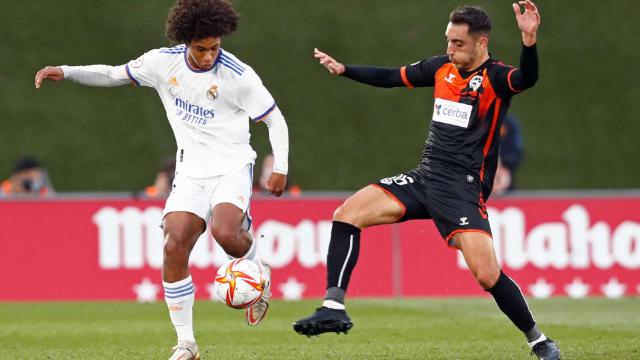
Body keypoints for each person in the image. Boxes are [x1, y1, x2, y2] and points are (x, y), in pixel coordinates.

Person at [294, 2, 560, 359]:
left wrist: (529, 40)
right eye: (448, 41)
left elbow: (527, 79)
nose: (450, 49)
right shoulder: (441, 68)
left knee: (486, 275)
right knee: (347, 214)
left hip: (462, 188)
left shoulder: (496, 78)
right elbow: (391, 77)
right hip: (425, 177)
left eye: (458, 43)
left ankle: (538, 340)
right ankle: (333, 307)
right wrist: (344, 70)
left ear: (481, 43)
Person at [35, 0, 289, 358]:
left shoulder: (239, 75)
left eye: (215, 47)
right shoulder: (161, 62)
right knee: (173, 246)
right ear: (186, 41)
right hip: (189, 173)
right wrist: (65, 70)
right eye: (201, 49)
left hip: (231, 167)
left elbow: (274, 120)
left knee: (225, 232)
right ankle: (186, 343)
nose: (208, 56)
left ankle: (259, 271)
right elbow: (113, 74)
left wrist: (280, 168)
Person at [494, 113, 524, 194]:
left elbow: (516, 154)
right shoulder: (476, 121)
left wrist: (502, 165)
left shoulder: (509, 124)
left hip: (506, 185)